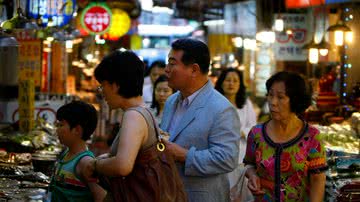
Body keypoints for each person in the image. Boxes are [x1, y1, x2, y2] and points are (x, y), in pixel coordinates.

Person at [82, 50, 186, 201]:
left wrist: (95, 165)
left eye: (102, 85)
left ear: (115, 85)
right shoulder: (143, 111)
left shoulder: (133, 116)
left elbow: (123, 165)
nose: (102, 92)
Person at [160, 38, 240, 202]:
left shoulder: (221, 108)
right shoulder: (171, 101)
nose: (166, 70)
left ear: (194, 70)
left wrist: (183, 155)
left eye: (172, 63)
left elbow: (227, 159)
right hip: (169, 194)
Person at [244, 71, 328, 202]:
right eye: (270, 95)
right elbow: (249, 164)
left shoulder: (312, 136)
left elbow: (318, 179)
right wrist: (252, 175)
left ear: (295, 100)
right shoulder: (256, 133)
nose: (272, 102)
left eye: (280, 97)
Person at [49, 101, 106, 202]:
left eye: (61, 125)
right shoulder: (66, 154)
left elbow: (100, 196)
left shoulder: (85, 162)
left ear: (77, 130)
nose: (57, 130)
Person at [215, 68, 256, 202]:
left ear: (240, 85)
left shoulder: (245, 104)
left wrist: (241, 132)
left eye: (235, 81)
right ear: (221, 83)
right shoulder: (214, 102)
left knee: (240, 195)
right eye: (228, 80)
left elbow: (253, 127)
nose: (231, 84)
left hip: (241, 156)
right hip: (218, 155)